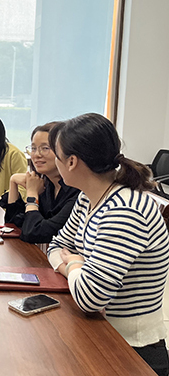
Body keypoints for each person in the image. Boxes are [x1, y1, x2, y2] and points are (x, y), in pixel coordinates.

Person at [47, 113, 169, 376]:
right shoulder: (88, 198)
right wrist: (76, 269)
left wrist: (75, 262)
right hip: (99, 332)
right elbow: (55, 246)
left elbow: (90, 298)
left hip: (131, 350)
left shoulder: (125, 210)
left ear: (71, 162)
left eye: (56, 155)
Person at [0, 122, 79, 243]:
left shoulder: (77, 191)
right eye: (33, 148)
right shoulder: (47, 184)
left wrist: (32, 193)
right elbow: (15, 224)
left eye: (45, 148)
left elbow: (35, 233)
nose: (37, 155)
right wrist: (13, 182)